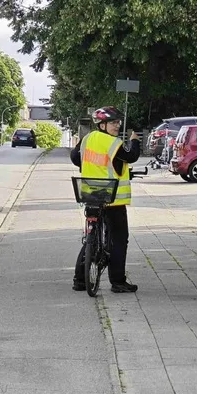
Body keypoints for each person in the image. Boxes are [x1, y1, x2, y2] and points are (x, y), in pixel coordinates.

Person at [71, 106, 141, 293]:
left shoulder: (87, 139)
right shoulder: (113, 143)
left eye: (118, 122)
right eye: (113, 122)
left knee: (91, 239)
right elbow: (131, 156)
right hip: (113, 199)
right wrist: (134, 141)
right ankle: (117, 281)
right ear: (102, 125)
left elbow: (74, 157)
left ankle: (80, 280)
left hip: (90, 194)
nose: (117, 126)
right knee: (119, 239)